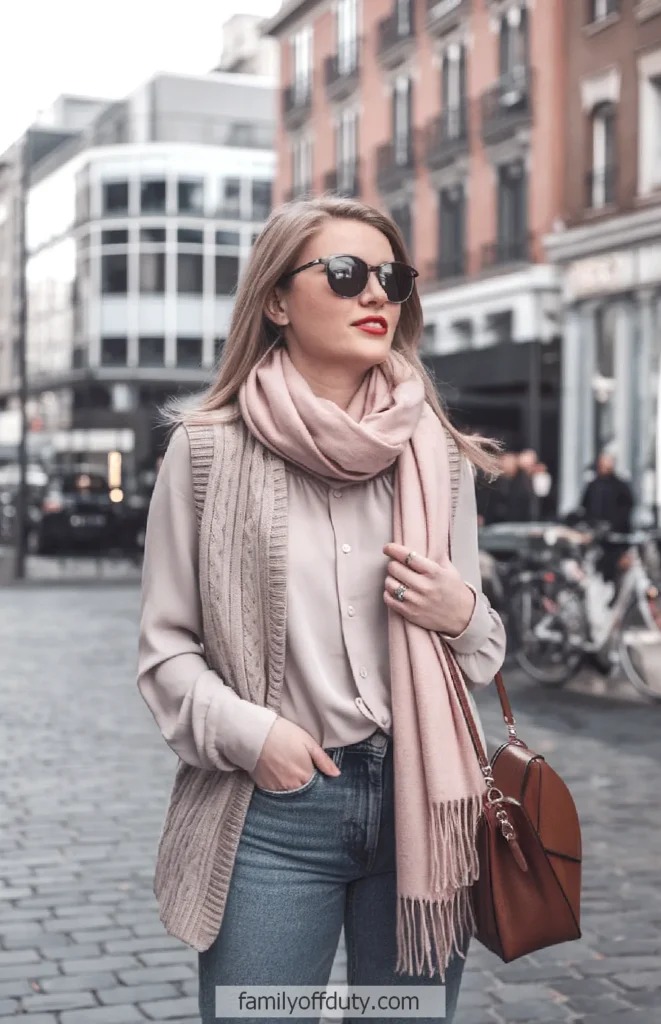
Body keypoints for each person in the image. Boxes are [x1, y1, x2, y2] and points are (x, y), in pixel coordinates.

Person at [137, 196, 506, 1024]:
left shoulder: (436, 455)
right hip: (270, 814)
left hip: (423, 802)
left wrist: (459, 612)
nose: (376, 294)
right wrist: (254, 736)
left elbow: (482, 656)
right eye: (345, 274)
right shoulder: (204, 450)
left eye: (391, 277)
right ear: (276, 299)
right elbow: (165, 652)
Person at [579, 451, 634, 584]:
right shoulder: (593, 485)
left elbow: (626, 510)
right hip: (596, 537)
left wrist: (613, 526)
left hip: (615, 538)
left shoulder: (620, 486)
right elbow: (585, 507)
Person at [483, 451, 534, 524]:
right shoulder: (494, 481)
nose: (505, 464)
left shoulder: (522, 482)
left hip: (518, 522)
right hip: (495, 523)